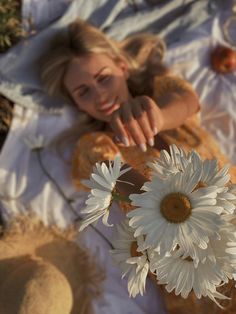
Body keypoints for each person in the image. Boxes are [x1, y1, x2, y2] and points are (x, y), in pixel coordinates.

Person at [40, 18, 236, 314]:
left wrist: (156, 117)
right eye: (84, 92)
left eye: (103, 78)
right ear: (76, 104)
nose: (101, 96)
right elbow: (118, 180)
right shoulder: (94, 145)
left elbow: (186, 102)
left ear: (122, 66)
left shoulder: (163, 92)